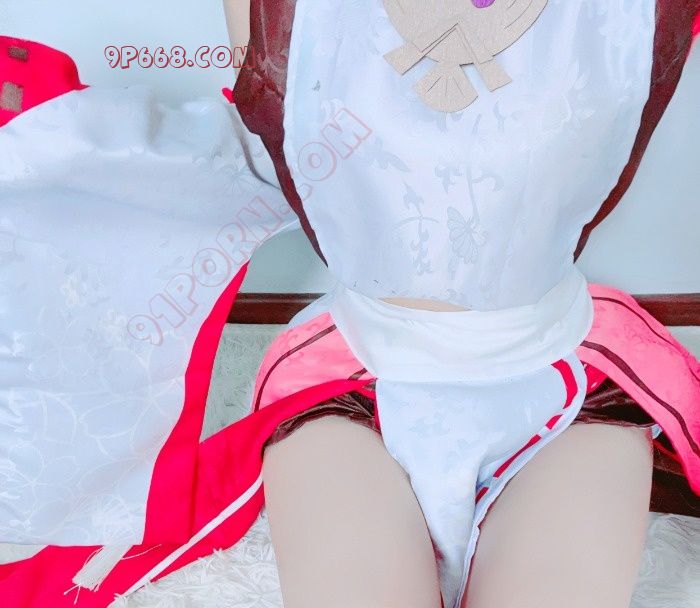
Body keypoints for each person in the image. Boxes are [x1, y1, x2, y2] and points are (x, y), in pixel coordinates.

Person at [0, 2, 698, 607]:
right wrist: (50, 144)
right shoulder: (284, 14)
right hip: (350, 388)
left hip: (565, 389)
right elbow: (253, 150)